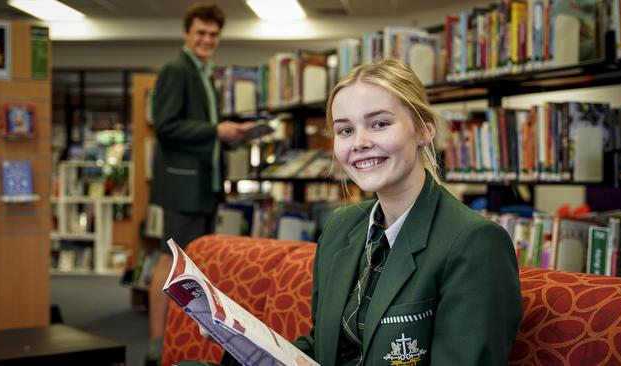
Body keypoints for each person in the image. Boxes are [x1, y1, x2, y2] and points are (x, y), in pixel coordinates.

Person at [182, 58, 523, 366]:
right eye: (345, 130)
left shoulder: (475, 242)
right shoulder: (341, 226)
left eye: (379, 124)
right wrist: (245, 342)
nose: (358, 142)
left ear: (424, 129)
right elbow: (324, 349)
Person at [145, 3, 253, 365]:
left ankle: (178, 339)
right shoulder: (177, 70)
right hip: (183, 186)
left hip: (202, 184)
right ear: (186, 33)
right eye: (201, 33)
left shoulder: (203, 73)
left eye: (213, 34)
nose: (207, 40)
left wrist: (226, 135)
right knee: (170, 260)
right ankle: (157, 344)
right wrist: (215, 131)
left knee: (191, 263)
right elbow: (165, 125)